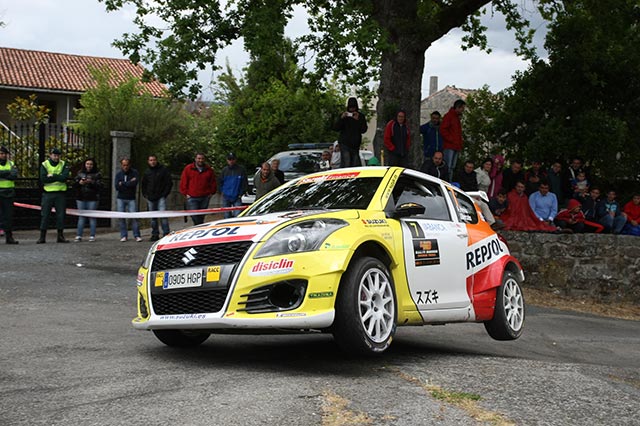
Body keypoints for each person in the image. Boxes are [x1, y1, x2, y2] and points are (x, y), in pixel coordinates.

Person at [37, 148, 70, 244]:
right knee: (45, 215)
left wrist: (52, 176)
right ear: (50, 155)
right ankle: (42, 237)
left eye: (58, 155)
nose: (56, 157)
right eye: (54, 155)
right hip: (48, 193)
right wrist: (58, 176)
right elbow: (43, 179)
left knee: (61, 215)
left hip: (60, 193)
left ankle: (60, 236)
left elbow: (64, 178)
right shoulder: (45, 164)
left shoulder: (64, 164)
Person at [179, 152, 217, 225]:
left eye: (202, 159)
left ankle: (198, 228)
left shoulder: (209, 170)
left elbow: (213, 182)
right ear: (195, 159)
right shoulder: (188, 169)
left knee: (201, 216)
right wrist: (185, 193)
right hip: (192, 197)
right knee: (194, 215)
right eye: (199, 158)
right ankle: (199, 227)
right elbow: (183, 181)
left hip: (205, 197)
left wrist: (212, 192)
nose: (200, 160)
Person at [141, 155, 173, 241]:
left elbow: (168, 183)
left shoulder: (163, 170)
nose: (152, 162)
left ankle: (166, 233)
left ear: (156, 160)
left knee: (163, 216)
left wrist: (165, 194)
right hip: (150, 198)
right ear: (148, 161)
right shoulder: (147, 172)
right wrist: (145, 195)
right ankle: (154, 234)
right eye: (151, 160)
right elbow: (143, 184)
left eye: (154, 160)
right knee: (153, 218)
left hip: (161, 197)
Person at [333, 97, 367, 168]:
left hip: (355, 144)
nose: (352, 110)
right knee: (346, 162)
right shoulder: (344, 116)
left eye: (353, 107)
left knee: (355, 163)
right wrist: (341, 119)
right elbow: (336, 128)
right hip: (344, 142)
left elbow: (363, 130)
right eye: (350, 108)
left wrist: (358, 120)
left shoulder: (360, 116)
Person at [73, 158, 102, 242]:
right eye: (87, 164)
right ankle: (79, 235)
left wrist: (91, 182)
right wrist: (79, 183)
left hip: (92, 198)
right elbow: (74, 185)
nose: (89, 166)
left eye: (91, 164)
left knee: (92, 217)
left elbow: (100, 186)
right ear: (85, 165)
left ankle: (92, 235)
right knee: (81, 217)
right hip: (81, 197)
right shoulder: (79, 173)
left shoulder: (97, 174)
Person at [114, 157, 142, 242]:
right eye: (123, 165)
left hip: (131, 198)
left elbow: (134, 184)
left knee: (134, 217)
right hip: (121, 198)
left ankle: (136, 235)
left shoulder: (135, 173)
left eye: (127, 165)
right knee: (121, 217)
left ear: (129, 165)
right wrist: (128, 183)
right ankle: (123, 235)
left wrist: (123, 183)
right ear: (121, 165)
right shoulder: (118, 174)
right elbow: (117, 186)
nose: (125, 167)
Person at [440, 99, 466, 180]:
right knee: (448, 166)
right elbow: (443, 130)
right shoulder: (449, 116)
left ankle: (449, 182)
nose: (463, 110)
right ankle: (446, 182)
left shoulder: (456, 118)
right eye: (462, 108)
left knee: (452, 167)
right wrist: (451, 139)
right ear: (458, 107)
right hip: (450, 145)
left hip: (455, 145)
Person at [218, 152, 248, 219]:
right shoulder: (224, 170)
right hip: (226, 197)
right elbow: (220, 182)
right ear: (227, 160)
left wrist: (241, 193)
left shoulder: (241, 170)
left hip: (237, 196)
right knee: (226, 216)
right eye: (229, 159)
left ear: (235, 159)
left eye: (233, 159)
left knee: (237, 216)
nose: (231, 161)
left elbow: (244, 183)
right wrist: (222, 192)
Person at [0, 146, 19, 244]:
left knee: (8, 216)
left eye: (4, 154)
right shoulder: (10, 166)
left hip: (8, 193)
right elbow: (10, 174)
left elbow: (14, 175)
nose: (3, 155)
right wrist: (7, 173)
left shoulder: (11, 164)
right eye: (1, 154)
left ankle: (9, 237)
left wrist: (3, 174)